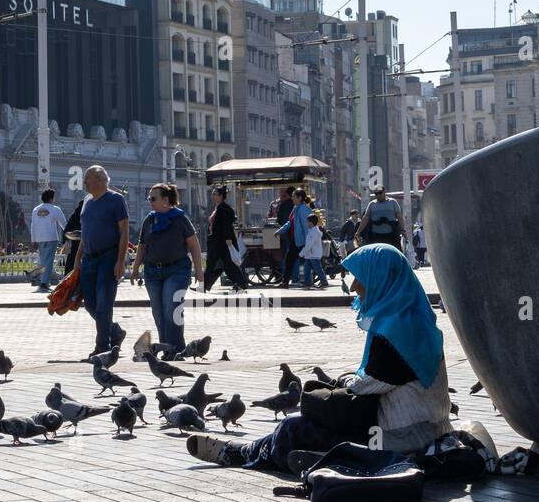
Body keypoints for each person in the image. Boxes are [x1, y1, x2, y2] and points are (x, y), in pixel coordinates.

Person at [187, 243, 452, 473]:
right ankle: (251, 449)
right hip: (431, 428)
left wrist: (343, 382)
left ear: (381, 280)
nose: (355, 286)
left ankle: (241, 453)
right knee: (307, 423)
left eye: (361, 278)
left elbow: (363, 387)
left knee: (296, 428)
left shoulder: (396, 332)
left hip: (401, 438)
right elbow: (377, 381)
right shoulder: (415, 320)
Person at [132, 183, 203, 357]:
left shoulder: (180, 219)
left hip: (177, 270)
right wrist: (135, 268)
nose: (150, 201)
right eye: (149, 198)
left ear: (165, 200)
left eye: (153, 198)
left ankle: (176, 349)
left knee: (171, 308)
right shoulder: (149, 220)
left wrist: (199, 271)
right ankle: (166, 348)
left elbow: (194, 245)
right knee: (158, 312)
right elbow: (142, 246)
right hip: (152, 272)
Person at [76, 166, 129, 356]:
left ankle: (102, 347)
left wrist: (120, 261)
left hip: (108, 258)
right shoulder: (87, 201)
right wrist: (77, 259)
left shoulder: (116, 200)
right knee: (90, 304)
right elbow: (85, 233)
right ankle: (115, 332)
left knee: (104, 304)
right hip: (89, 259)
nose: (84, 181)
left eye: (87, 178)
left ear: (99, 179)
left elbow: (124, 231)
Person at [203, 186, 249, 293]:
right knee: (225, 265)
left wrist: (228, 239)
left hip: (221, 242)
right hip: (218, 242)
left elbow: (226, 225)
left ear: (221, 196)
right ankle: (241, 285)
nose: (212, 196)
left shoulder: (223, 209)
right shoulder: (218, 208)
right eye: (212, 194)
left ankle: (203, 286)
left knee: (214, 264)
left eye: (215, 194)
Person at [31, 189, 68, 292]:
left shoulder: (36, 210)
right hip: (51, 238)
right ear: (51, 199)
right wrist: (69, 234)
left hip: (39, 239)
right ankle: (44, 283)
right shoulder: (55, 209)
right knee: (48, 261)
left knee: (43, 261)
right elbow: (64, 224)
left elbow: (33, 226)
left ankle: (41, 280)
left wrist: (33, 240)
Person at [276, 188, 311, 289]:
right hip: (295, 240)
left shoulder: (303, 209)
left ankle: (307, 281)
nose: (292, 198)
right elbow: (289, 222)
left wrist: (308, 242)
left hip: (302, 241)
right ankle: (286, 282)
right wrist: (280, 231)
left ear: (300, 198)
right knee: (290, 260)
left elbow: (306, 226)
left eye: (294, 196)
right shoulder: (296, 208)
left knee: (304, 262)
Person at [300, 211, 331, 289]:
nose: (307, 224)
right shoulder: (313, 231)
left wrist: (302, 253)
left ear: (311, 223)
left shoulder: (313, 232)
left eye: (307, 222)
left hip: (313, 254)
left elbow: (309, 245)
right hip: (310, 254)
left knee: (318, 270)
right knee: (307, 269)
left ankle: (324, 282)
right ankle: (308, 283)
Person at [63, 198, 84, 275]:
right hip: (85, 242)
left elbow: (67, 228)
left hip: (75, 242)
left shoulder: (75, 215)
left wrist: (66, 239)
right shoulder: (88, 214)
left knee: (72, 260)